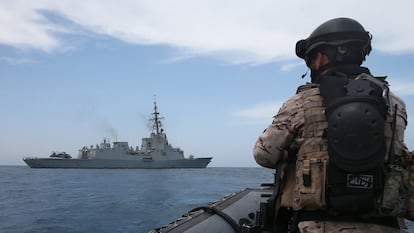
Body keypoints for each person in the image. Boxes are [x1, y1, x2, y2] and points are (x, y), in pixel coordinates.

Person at [253, 17, 413, 232]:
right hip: (384, 225)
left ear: (320, 57)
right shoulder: (394, 104)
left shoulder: (300, 103)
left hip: (317, 225)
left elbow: (264, 156)